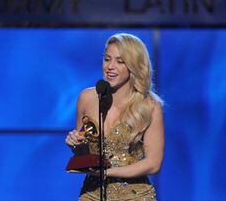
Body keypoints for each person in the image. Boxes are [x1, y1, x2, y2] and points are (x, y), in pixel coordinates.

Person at [65, 33, 164, 200]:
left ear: (134, 66)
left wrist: (108, 172)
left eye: (120, 61)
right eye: (107, 59)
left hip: (134, 195)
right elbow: (85, 154)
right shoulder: (87, 98)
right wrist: (75, 144)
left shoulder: (149, 106)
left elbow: (153, 164)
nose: (110, 66)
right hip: (93, 193)